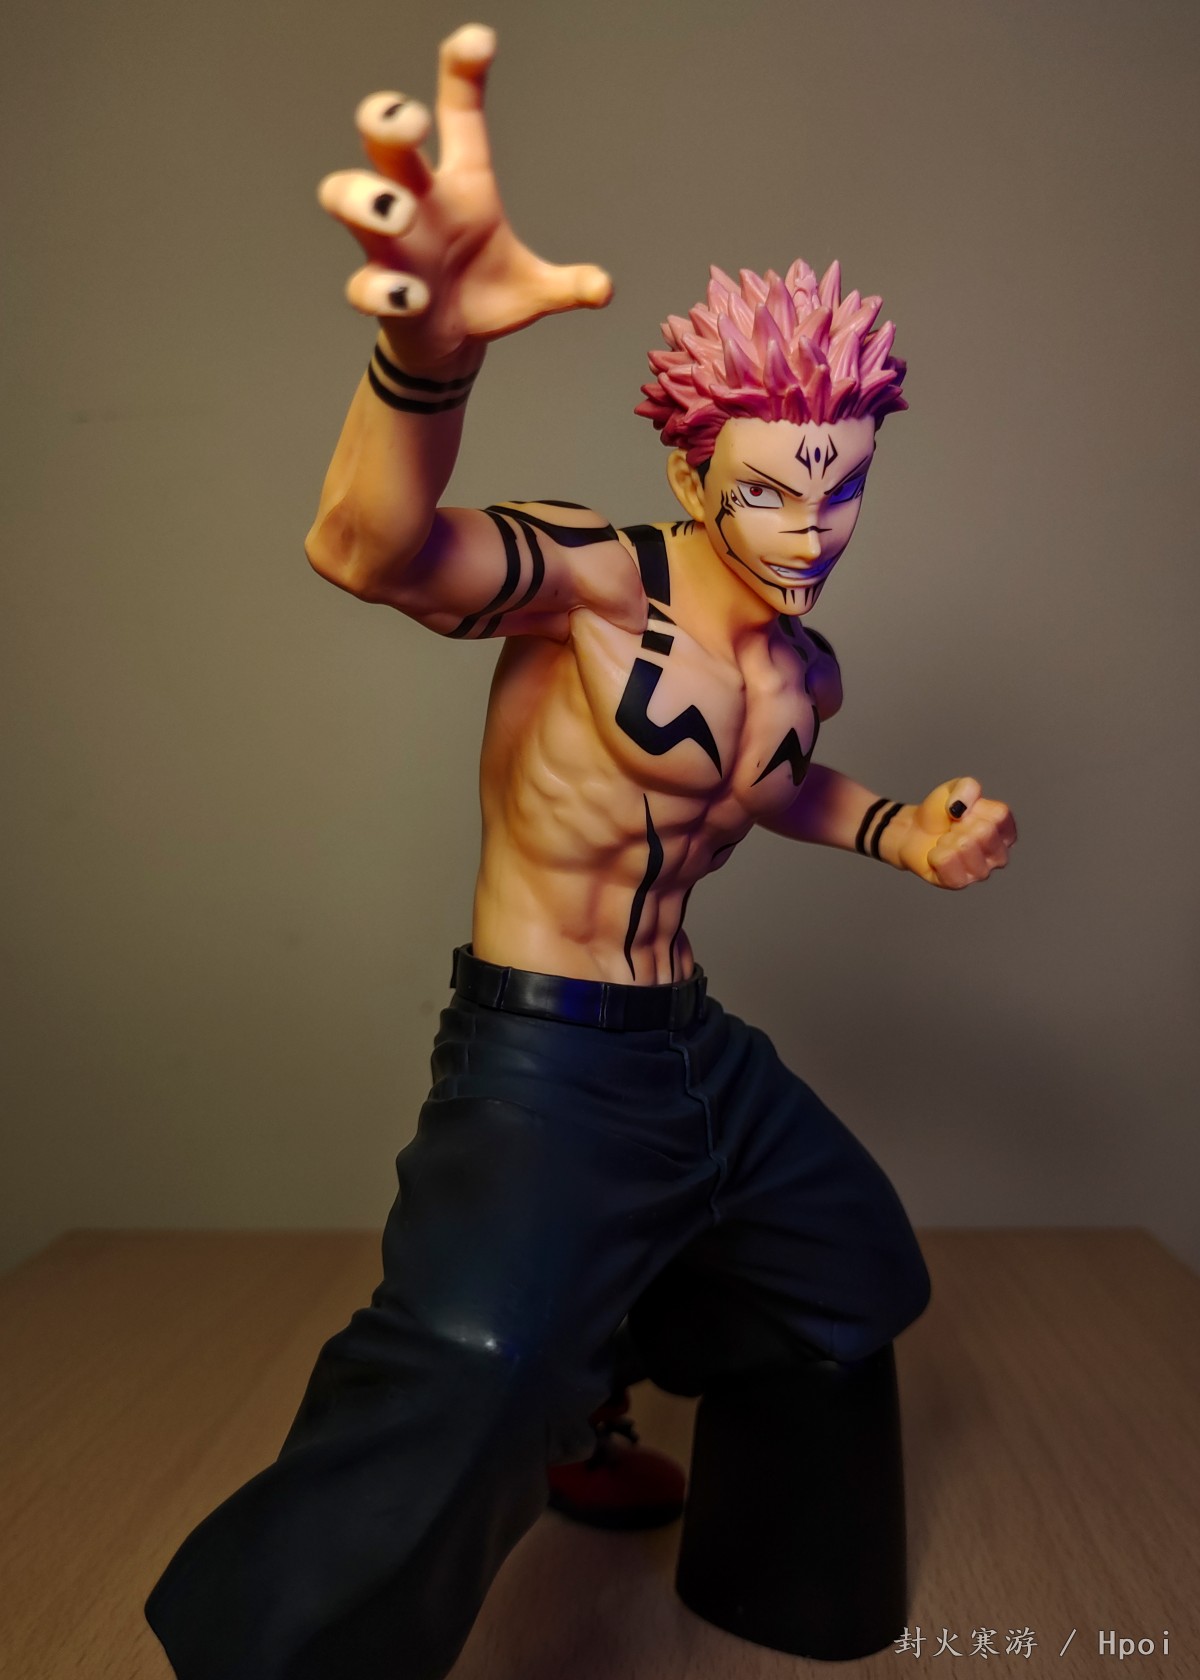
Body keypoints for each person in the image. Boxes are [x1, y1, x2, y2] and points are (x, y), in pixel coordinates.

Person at [144, 23, 1017, 1680]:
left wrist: (903, 831)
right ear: (691, 469)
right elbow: (367, 547)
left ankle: (681, 1471)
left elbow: (771, 791)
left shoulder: (803, 667)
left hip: (696, 1050)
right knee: (481, 1362)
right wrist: (427, 362)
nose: (812, 533)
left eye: (841, 493)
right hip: (546, 1057)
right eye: (772, 496)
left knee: (851, 1274)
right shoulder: (601, 582)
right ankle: (272, 1639)